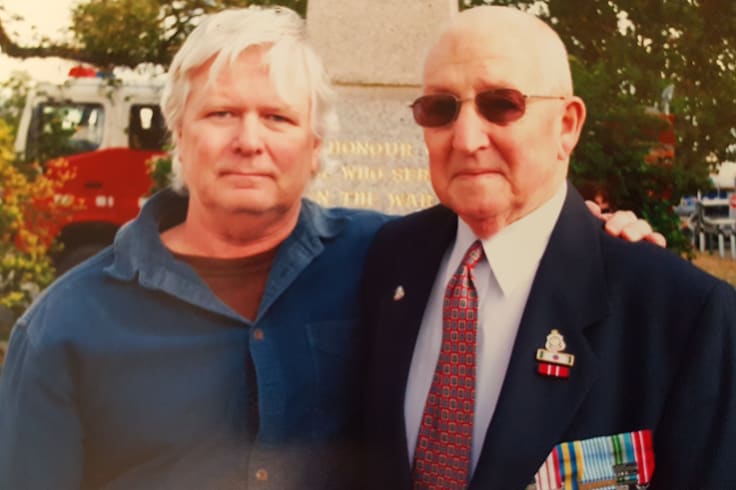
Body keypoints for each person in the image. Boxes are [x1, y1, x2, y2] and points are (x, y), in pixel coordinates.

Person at [0, 6, 663, 490]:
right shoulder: (65, 325)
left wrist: (606, 239)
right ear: (179, 131)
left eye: (280, 117)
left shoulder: (389, 259)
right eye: (221, 113)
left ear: (317, 147)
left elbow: (522, 234)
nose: (249, 140)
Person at [360, 6, 736, 490]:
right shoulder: (387, 259)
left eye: (501, 104)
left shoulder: (682, 313)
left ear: (567, 125)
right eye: (440, 108)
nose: (467, 138)